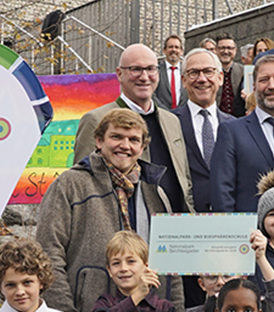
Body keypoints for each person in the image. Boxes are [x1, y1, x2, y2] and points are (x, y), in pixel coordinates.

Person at [40, 108, 183, 312]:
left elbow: (171, 263)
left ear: (142, 148)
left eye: (133, 140)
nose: (125, 146)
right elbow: (48, 254)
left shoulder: (155, 191)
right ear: (99, 141)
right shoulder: (70, 185)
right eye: (116, 137)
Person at [74, 43, 193, 211]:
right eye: (135, 69)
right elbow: (81, 185)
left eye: (150, 69)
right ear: (119, 74)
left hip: (173, 227)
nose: (144, 77)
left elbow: (184, 179)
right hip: (124, 229)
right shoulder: (96, 120)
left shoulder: (171, 121)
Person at [209, 53, 274, 214]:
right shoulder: (231, 132)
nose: (272, 86)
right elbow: (222, 192)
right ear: (254, 86)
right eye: (264, 80)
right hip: (248, 234)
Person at [173, 48, 231, 215]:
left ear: (220, 78)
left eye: (208, 71)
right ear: (183, 81)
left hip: (227, 222)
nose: (201, 79)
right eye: (193, 73)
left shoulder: (235, 126)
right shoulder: (169, 123)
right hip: (184, 220)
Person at [213, 33, 246, 117]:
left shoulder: (244, 71)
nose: (226, 51)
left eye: (229, 48)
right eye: (222, 48)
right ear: (216, 50)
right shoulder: (210, 71)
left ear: (235, 50)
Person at [158, 34, 185, 109]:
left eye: (176, 47)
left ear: (181, 51)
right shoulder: (157, 70)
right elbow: (152, 94)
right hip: (162, 115)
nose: (174, 50)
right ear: (164, 50)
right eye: (170, 47)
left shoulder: (187, 71)